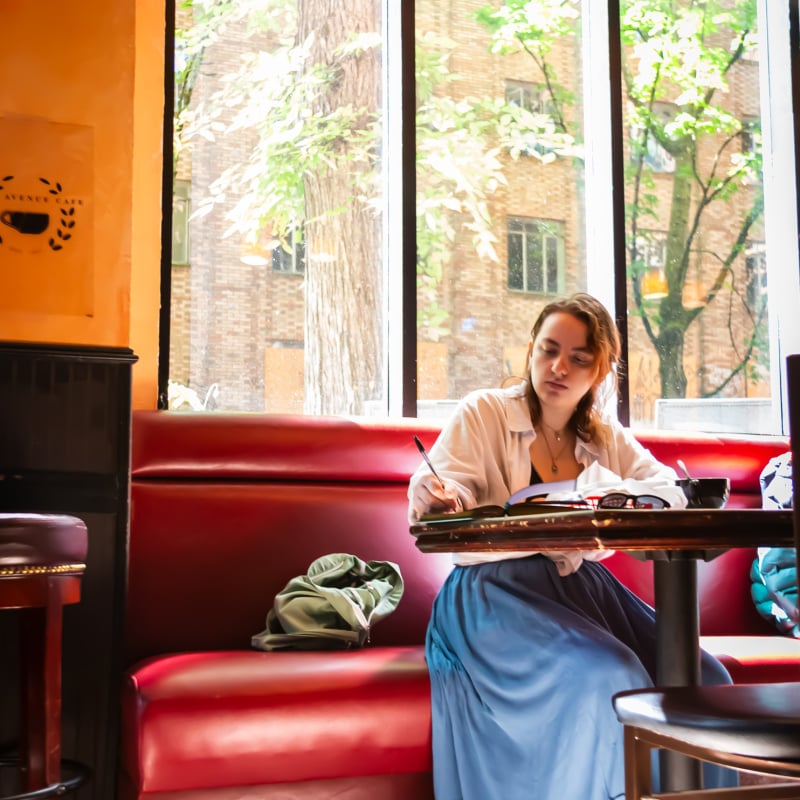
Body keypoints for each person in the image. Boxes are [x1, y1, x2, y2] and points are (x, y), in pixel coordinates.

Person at [408, 293, 735, 800]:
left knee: (706, 677)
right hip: (492, 597)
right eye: (548, 349)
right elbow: (445, 485)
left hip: (579, 589)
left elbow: (668, 487)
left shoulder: (605, 437)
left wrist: (628, 495)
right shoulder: (486, 411)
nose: (559, 366)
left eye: (579, 358)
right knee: (609, 674)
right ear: (531, 351)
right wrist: (441, 495)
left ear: (600, 371)